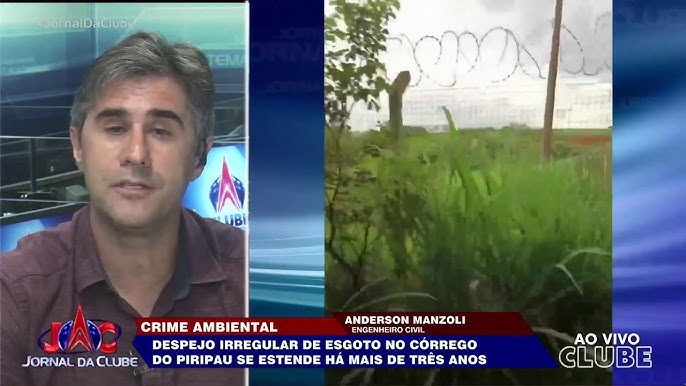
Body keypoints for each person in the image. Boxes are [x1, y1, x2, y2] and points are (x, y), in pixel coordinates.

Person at [0, 32, 246, 386]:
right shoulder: (14, 292)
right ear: (77, 146)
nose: (136, 153)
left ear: (199, 156)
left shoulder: (257, 284)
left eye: (161, 131)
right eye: (115, 128)